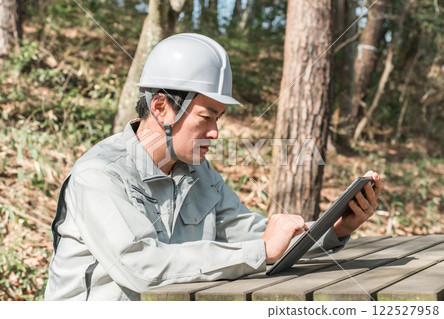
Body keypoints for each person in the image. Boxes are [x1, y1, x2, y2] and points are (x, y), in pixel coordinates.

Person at [45, 33, 383, 301]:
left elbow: (258, 238)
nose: (216, 133)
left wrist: (335, 227)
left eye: (218, 118)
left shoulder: (199, 175)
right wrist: (261, 250)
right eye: (206, 117)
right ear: (161, 108)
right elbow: (141, 267)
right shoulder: (101, 176)